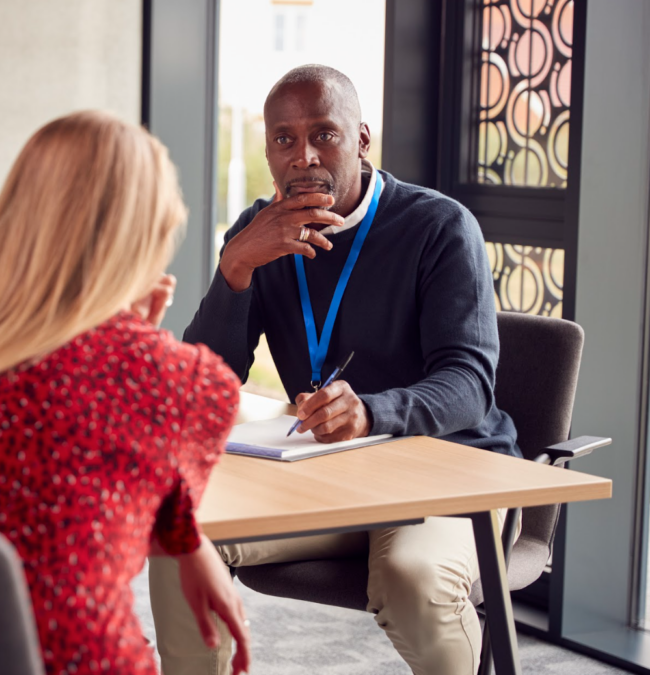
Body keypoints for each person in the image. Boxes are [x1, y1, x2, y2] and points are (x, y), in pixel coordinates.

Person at [149, 65, 521, 675]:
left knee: (411, 575)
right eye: (284, 139)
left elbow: (470, 383)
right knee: (178, 535)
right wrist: (235, 267)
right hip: (323, 476)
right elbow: (201, 384)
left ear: (362, 140)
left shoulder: (439, 227)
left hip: (441, 474)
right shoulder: (260, 232)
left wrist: (375, 411)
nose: (303, 156)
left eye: (324, 134)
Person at [0, 110, 251, 675]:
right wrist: (143, 343)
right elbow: (142, 531)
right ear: (149, 235)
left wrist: (132, 338)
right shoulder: (192, 382)